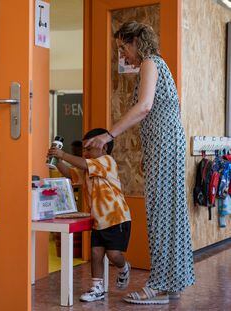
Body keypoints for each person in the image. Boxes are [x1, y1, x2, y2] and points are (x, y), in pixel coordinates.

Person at [84, 21, 195, 305]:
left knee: (161, 215)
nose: (123, 56)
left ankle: (157, 286)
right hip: (164, 147)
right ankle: (172, 282)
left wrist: (109, 134)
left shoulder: (149, 62)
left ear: (136, 42)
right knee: (169, 214)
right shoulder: (154, 64)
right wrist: (149, 155)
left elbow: (144, 107)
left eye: (124, 47)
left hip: (166, 146)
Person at [48, 128, 132, 303]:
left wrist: (62, 154)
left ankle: (124, 267)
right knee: (95, 253)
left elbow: (84, 165)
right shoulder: (87, 169)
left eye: (89, 148)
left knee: (114, 254)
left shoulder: (107, 162)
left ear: (104, 148)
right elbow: (72, 174)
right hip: (98, 221)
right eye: (84, 149)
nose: (85, 152)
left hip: (116, 218)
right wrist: (56, 161)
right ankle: (97, 287)